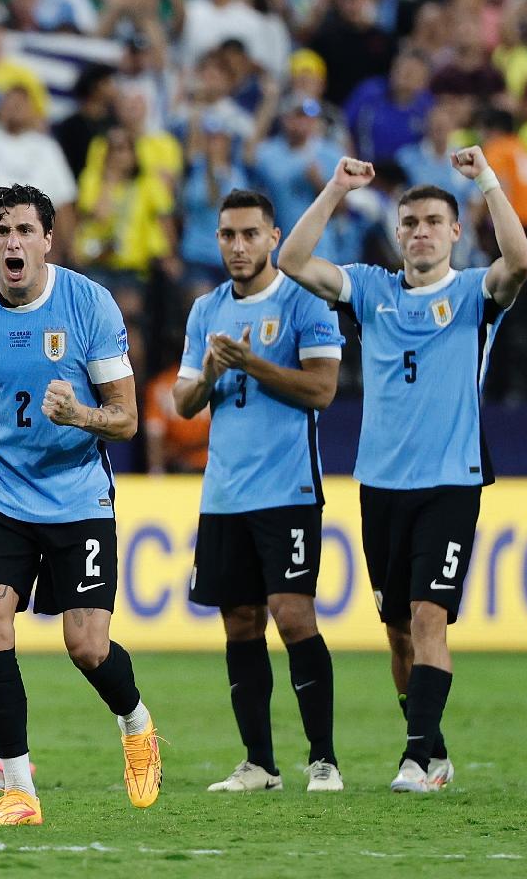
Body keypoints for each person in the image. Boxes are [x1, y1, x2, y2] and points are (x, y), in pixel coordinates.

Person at [277, 149, 527, 793]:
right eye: (410, 222)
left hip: (450, 482)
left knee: (427, 618)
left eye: (433, 222)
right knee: (397, 633)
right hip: (381, 484)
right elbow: (293, 260)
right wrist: (336, 188)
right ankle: (434, 749)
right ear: (397, 234)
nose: (421, 232)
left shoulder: (474, 294)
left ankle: (415, 760)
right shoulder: (372, 290)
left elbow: (521, 262)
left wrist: (487, 180)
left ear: (456, 232)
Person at [0, 183, 159, 826]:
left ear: (47, 241)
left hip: (76, 494)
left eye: (25, 230)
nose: (14, 242)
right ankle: (18, 792)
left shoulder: (89, 304)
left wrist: (79, 414)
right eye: (1, 231)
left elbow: (126, 419)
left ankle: (136, 724)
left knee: (86, 646)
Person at [172, 189, 345, 793]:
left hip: (288, 489)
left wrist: (251, 364)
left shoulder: (305, 299)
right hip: (224, 494)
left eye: (250, 234)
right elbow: (183, 403)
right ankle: (259, 764)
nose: (238, 246)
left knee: (293, 616)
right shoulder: (206, 309)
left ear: (274, 237)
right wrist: (213, 372)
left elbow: (323, 390)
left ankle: (323, 760)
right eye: (227, 235)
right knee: (239, 623)